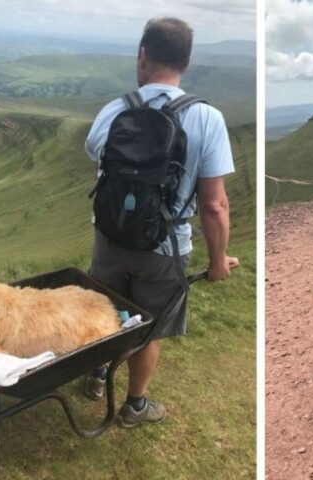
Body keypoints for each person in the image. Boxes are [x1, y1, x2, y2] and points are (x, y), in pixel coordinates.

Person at [83, 17, 238, 427]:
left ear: (143, 56)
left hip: (110, 236)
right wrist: (219, 259)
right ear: (186, 63)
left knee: (103, 309)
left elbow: (101, 165)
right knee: (148, 328)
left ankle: (97, 372)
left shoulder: (115, 110)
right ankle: (135, 406)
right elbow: (214, 205)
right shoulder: (207, 119)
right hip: (164, 248)